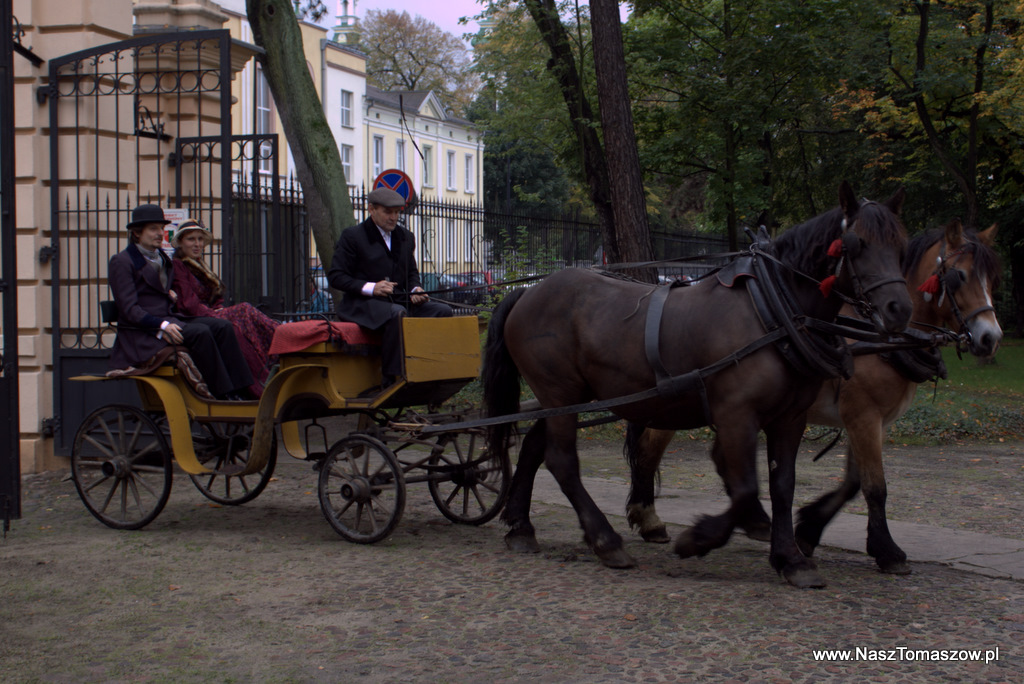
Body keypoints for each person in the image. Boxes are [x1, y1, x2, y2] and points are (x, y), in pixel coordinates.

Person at [107, 204, 254, 400]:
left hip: (170, 318)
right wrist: (162, 326)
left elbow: (156, 289)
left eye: (162, 228)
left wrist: (169, 294)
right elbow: (129, 309)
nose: (160, 233)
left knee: (223, 327)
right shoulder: (122, 261)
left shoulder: (162, 258)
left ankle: (244, 390)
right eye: (153, 229)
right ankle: (222, 396)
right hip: (143, 334)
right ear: (137, 233)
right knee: (201, 332)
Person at [328, 187, 452, 389]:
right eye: (388, 212)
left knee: (442, 311)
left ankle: (432, 370)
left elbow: (411, 273)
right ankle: (393, 379)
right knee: (396, 314)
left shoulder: (406, 237)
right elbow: (336, 276)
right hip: (363, 304)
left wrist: (416, 290)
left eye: (397, 212)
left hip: (399, 301)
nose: (394, 217)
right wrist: (372, 288)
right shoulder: (353, 236)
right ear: (371, 209)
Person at [170, 218, 280, 397]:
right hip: (193, 318)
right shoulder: (178, 266)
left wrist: (218, 309)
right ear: (181, 243)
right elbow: (188, 304)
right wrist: (213, 313)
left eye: (200, 239)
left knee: (242, 320)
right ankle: (280, 336)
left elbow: (215, 297)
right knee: (243, 310)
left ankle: (274, 349)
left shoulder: (199, 266)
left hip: (209, 315)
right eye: (191, 239)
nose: (197, 244)